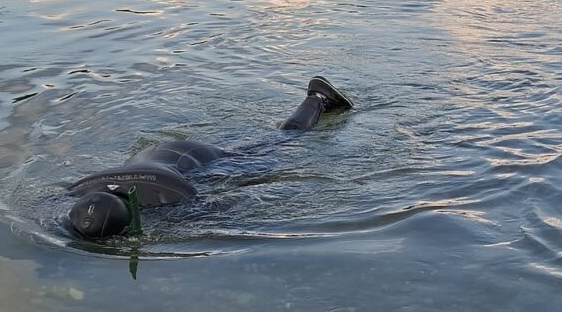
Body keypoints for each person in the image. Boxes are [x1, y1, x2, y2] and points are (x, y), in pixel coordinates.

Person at [63, 76, 353, 240]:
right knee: (250, 145)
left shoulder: (173, 193)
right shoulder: (81, 188)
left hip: (196, 159)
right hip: (162, 153)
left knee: (282, 143)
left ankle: (317, 98)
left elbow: (219, 208)